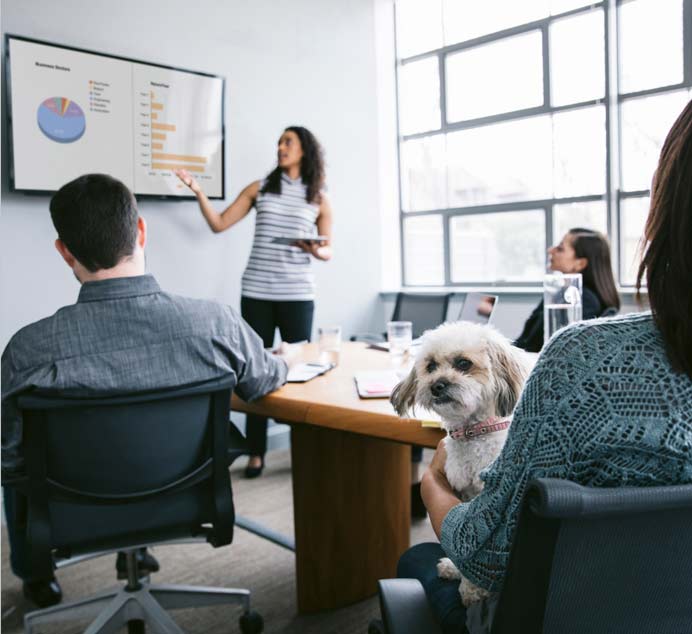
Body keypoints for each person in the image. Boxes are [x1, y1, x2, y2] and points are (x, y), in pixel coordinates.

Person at [399, 101, 692, 633]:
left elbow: (485, 556)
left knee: (415, 561)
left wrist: (432, 486)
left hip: (572, 615)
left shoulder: (582, 361)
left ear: (666, 207)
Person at [1, 174, 297, 608]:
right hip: (185, 502)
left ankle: (35, 573)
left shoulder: (28, 350)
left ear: (65, 252)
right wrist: (289, 356)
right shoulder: (216, 324)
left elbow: (6, 457)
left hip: (74, 513)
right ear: (141, 230)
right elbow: (265, 379)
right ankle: (140, 543)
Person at [175, 126, 333, 478]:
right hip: (257, 292)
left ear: (304, 150)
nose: (280, 147)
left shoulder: (318, 197)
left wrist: (314, 248)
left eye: (287, 142)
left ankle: (300, 449)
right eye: (278, 142)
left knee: (301, 371)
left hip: (297, 294)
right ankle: (257, 452)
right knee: (254, 371)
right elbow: (218, 224)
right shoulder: (260, 188)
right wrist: (198, 191)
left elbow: (328, 249)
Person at [514, 227, 620, 353]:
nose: (550, 250)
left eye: (560, 248)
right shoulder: (559, 293)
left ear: (580, 263)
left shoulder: (584, 300)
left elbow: (559, 351)